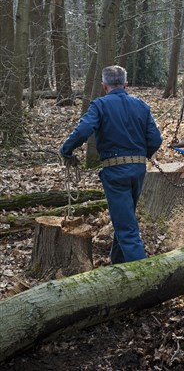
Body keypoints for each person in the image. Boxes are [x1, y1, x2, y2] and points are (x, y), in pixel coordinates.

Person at [59, 65, 162, 264]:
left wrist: (66, 150)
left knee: (127, 228)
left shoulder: (99, 105)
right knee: (125, 220)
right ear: (126, 84)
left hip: (115, 173)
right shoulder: (141, 105)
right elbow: (156, 139)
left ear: (104, 85)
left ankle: (144, 279)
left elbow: (83, 131)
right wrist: (142, 155)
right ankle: (117, 264)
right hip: (138, 170)